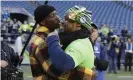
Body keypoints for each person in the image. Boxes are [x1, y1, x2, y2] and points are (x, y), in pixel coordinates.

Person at [46, 5, 97, 80]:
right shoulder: (80, 40)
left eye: (67, 19)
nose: (62, 22)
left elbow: (64, 64)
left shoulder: (80, 44)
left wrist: (52, 38)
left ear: (78, 24)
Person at [29, 5, 61, 80]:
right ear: (43, 22)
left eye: (56, 14)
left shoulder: (49, 35)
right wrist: (88, 74)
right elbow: (53, 70)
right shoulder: (42, 42)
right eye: (53, 15)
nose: (58, 18)